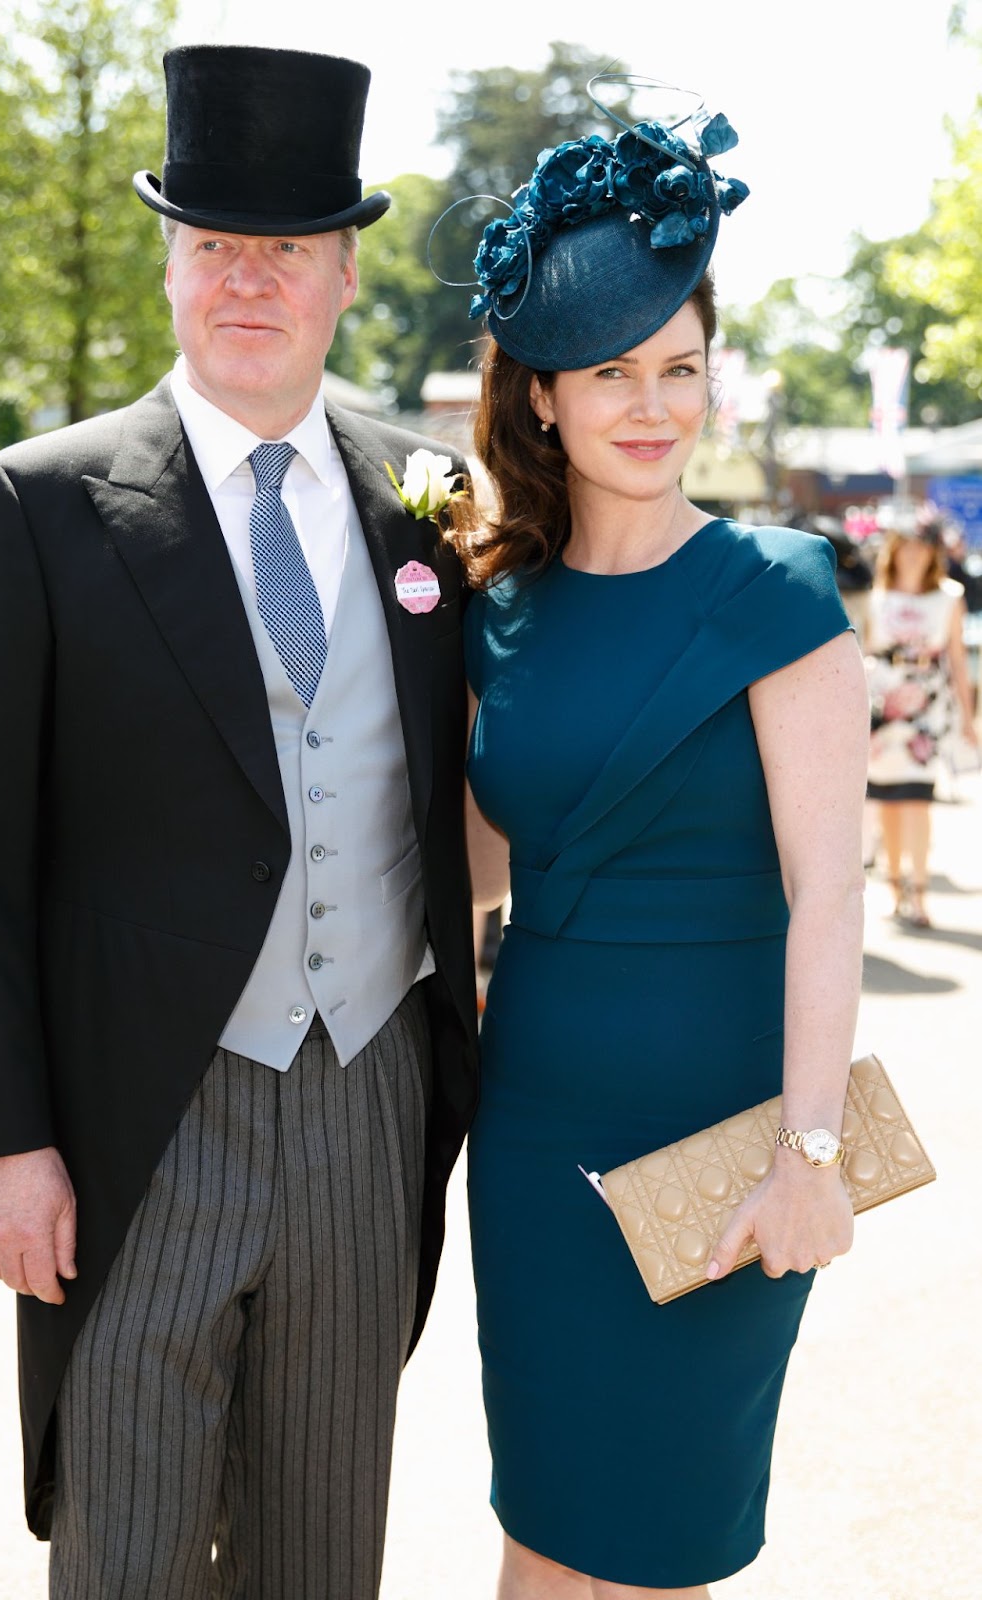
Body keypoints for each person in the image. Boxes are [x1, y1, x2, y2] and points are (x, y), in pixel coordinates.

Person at [0, 46, 478, 1600]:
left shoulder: (427, 490)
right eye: (214, 244)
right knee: (130, 1553)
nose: (249, 281)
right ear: (169, 261)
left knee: (322, 1555)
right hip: (137, 1121)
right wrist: (6, 1138)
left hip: (368, 1098)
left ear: (344, 273)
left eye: (285, 248)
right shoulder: (40, 501)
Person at [451, 89, 869, 1598]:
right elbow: (482, 867)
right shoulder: (495, 610)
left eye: (680, 367)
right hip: (535, 1129)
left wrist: (811, 1155)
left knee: (658, 1546)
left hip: (729, 1137)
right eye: (609, 369)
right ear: (540, 394)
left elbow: (832, 891)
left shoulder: (776, 588)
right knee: (542, 1530)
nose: (650, 403)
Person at [864, 523, 978, 928]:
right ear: (892, 552)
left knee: (918, 799)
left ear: (933, 554)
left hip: (927, 708)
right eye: (905, 548)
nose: (913, 556)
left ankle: (920, 890)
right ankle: (895, 889)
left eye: (920, 548)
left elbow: (958, 661)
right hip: (882, 704)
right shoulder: (874, 598)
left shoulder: (949, 597)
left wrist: (968, 718)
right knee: (887, 802)